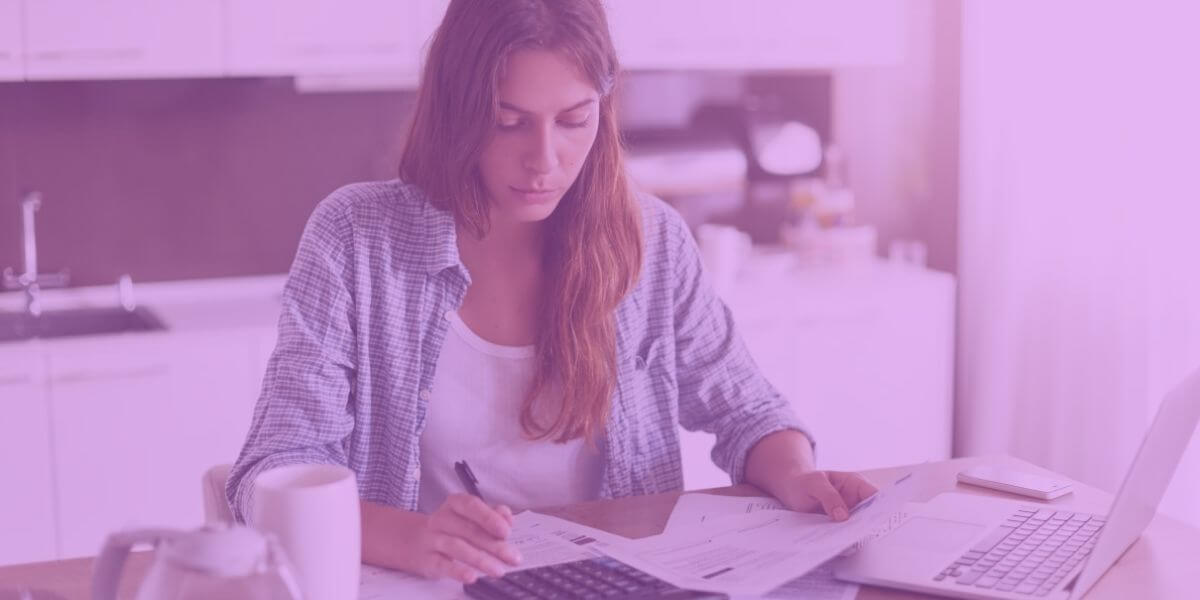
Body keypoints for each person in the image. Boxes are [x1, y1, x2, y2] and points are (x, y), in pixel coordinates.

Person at [226, 0, 877, 585]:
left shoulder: (651, 242)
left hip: (616, 581)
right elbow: (271, 471)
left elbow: (748, 412)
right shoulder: (355, 239)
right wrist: (414, 540)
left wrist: (796, 474)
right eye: (508, 122)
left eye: (573, 120)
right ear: (457, 112)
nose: (544, 160)